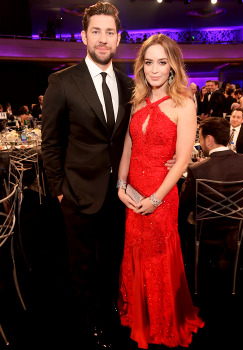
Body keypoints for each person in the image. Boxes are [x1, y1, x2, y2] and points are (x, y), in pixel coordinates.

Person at [42, 2, 134, 349]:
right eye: (96, 31)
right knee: (81, 263)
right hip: (77, 192)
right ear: (83, 36)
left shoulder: (128, 85)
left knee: (112, 258)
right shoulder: (62, 82)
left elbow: (131, 137)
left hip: (119, 192)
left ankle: (110, 311)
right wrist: (60, 191)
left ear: (118, 38)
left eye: (109, 32)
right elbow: (50, 143)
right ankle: (88, 320)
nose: (103, 38)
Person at [117, 34, 204, 349]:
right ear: (142, 66)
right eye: (149, 62)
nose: (154, 70)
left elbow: (181, 159)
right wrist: (120, 184)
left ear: (173, 66)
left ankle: (163, 320)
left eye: (162, 62)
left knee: (158, 254)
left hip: (162, 194)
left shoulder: (184, 102)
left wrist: (155, 199)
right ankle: (139, 314)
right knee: (135, 250)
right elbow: (129, 143)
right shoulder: (138, 100)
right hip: (133, 191)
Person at [179, 117, 243, 291]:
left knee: (182, 221)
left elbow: (182, 205)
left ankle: (191, 282)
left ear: (209, 140)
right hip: (239, 233)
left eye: (201, 138)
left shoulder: (197, 170)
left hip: (205, 235)